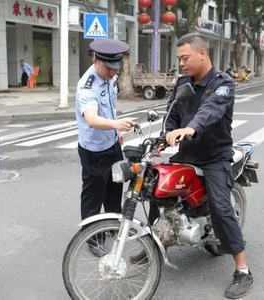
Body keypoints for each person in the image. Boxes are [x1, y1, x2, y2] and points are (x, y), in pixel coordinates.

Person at [136, 32, 254, 299]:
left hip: (214, 156)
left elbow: (211, 110)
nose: (182, 64)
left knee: (222, 208)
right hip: (187, 153)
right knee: (155, 188)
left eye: (185, 58)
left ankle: (243, 270)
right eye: (179, 59)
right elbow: (173, 111)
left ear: (202, 54)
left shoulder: (222, 83)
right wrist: (166, 136)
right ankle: (155, 243)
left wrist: (189, 129)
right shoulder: (182, 82)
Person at [75, 39, 136, 256]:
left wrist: (116, 129)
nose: (113, 72)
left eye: (116, 68)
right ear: (95, 60)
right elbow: (91, 119)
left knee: (114, 189)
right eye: (109, 68)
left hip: (111, 144)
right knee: (93, 196)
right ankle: (92, 236)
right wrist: (116, 124)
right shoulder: (87, 86)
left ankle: (112, 227)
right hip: (94, 150)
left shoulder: (109, 78)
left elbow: (109, 107)